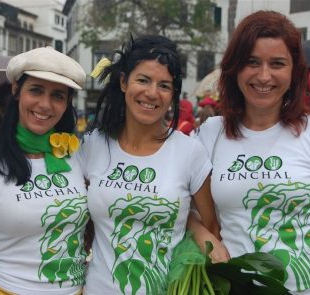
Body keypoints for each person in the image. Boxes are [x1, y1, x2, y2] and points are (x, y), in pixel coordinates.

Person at [78, 35, 220, 294]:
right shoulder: (92, 146)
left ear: (173, 95)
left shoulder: (190, 152)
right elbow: (80, 222)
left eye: (164, 85)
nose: (152, 93)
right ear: (123, 82)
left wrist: (192, 225)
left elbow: (211, 226)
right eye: (143, 80)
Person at [195, 10, 310, 294]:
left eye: (277, 64)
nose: (264, 76)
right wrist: (204, 235)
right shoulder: (210, 134)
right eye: (252, 62)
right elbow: (176, 202)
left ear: (293, 72)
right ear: (234, 68)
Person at [0, 46, 88, 294]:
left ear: (66, 104)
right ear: (16, 90)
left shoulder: (78, 155)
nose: (45, 105)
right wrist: (5, 244)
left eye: (58, 96)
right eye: (36, 90)